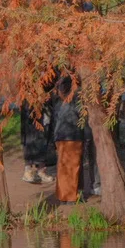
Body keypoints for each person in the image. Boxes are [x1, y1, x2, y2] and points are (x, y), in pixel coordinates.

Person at [51, 76, 85, 204]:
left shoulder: (60, 101)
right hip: (71, 136)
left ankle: (66, 195)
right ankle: (69, 196)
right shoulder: (75, 100)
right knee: (71, 167)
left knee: (65, 166)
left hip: (61, 136)